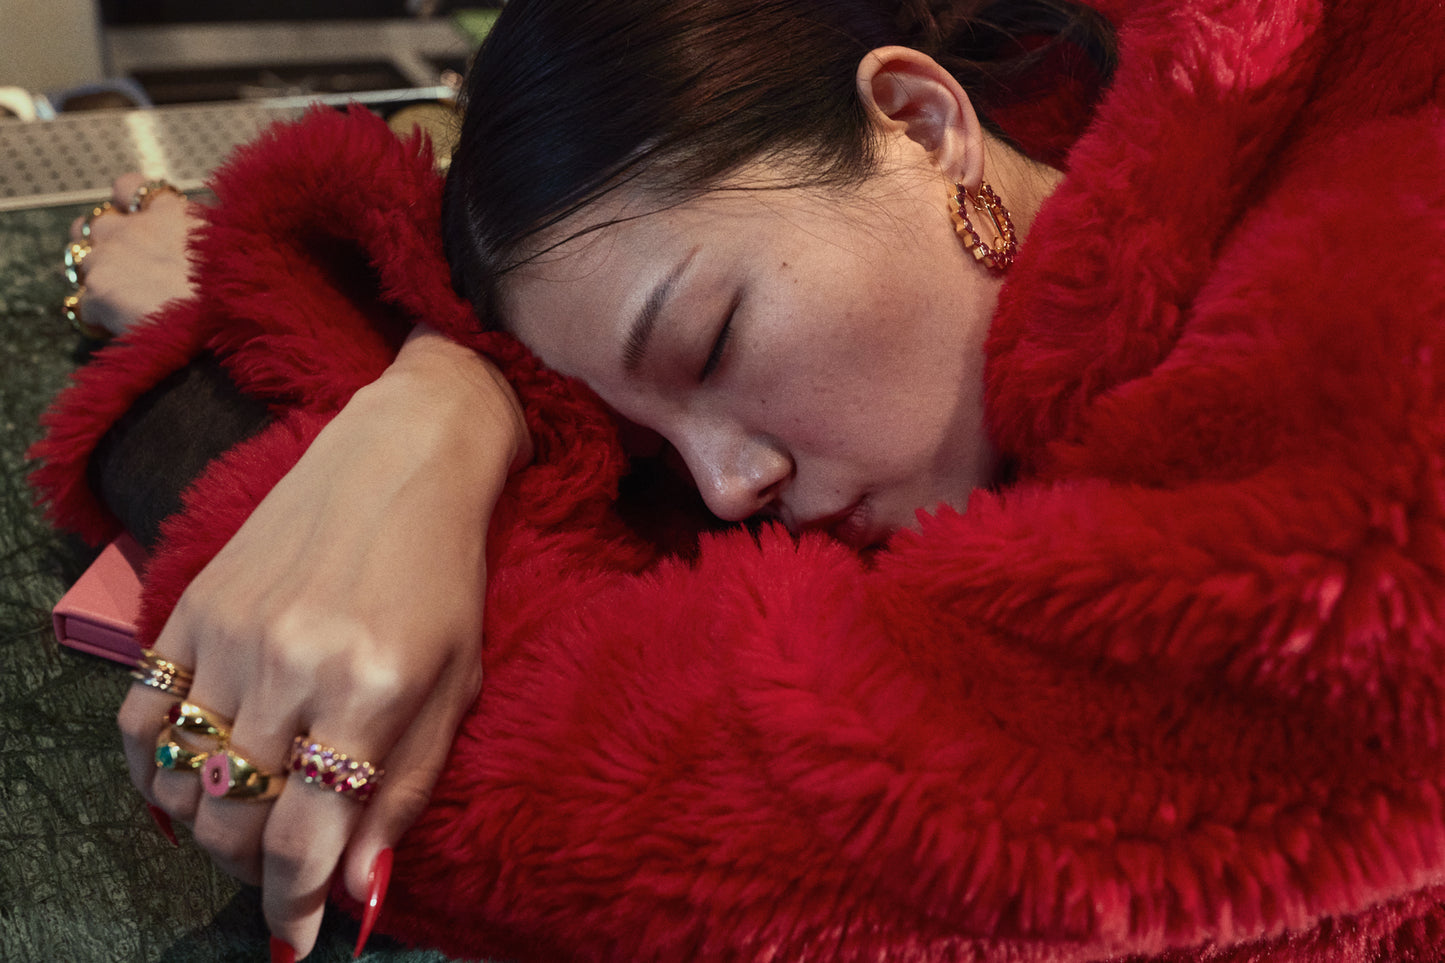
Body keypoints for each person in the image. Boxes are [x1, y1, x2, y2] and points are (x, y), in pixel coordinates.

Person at [30, 0, 1445, 960]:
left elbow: (644, 812)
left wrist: (226, 376)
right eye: (644, 435)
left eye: (706, 341)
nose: (720, 488)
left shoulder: (1387, 351)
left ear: (918, 117)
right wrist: (441, 398)